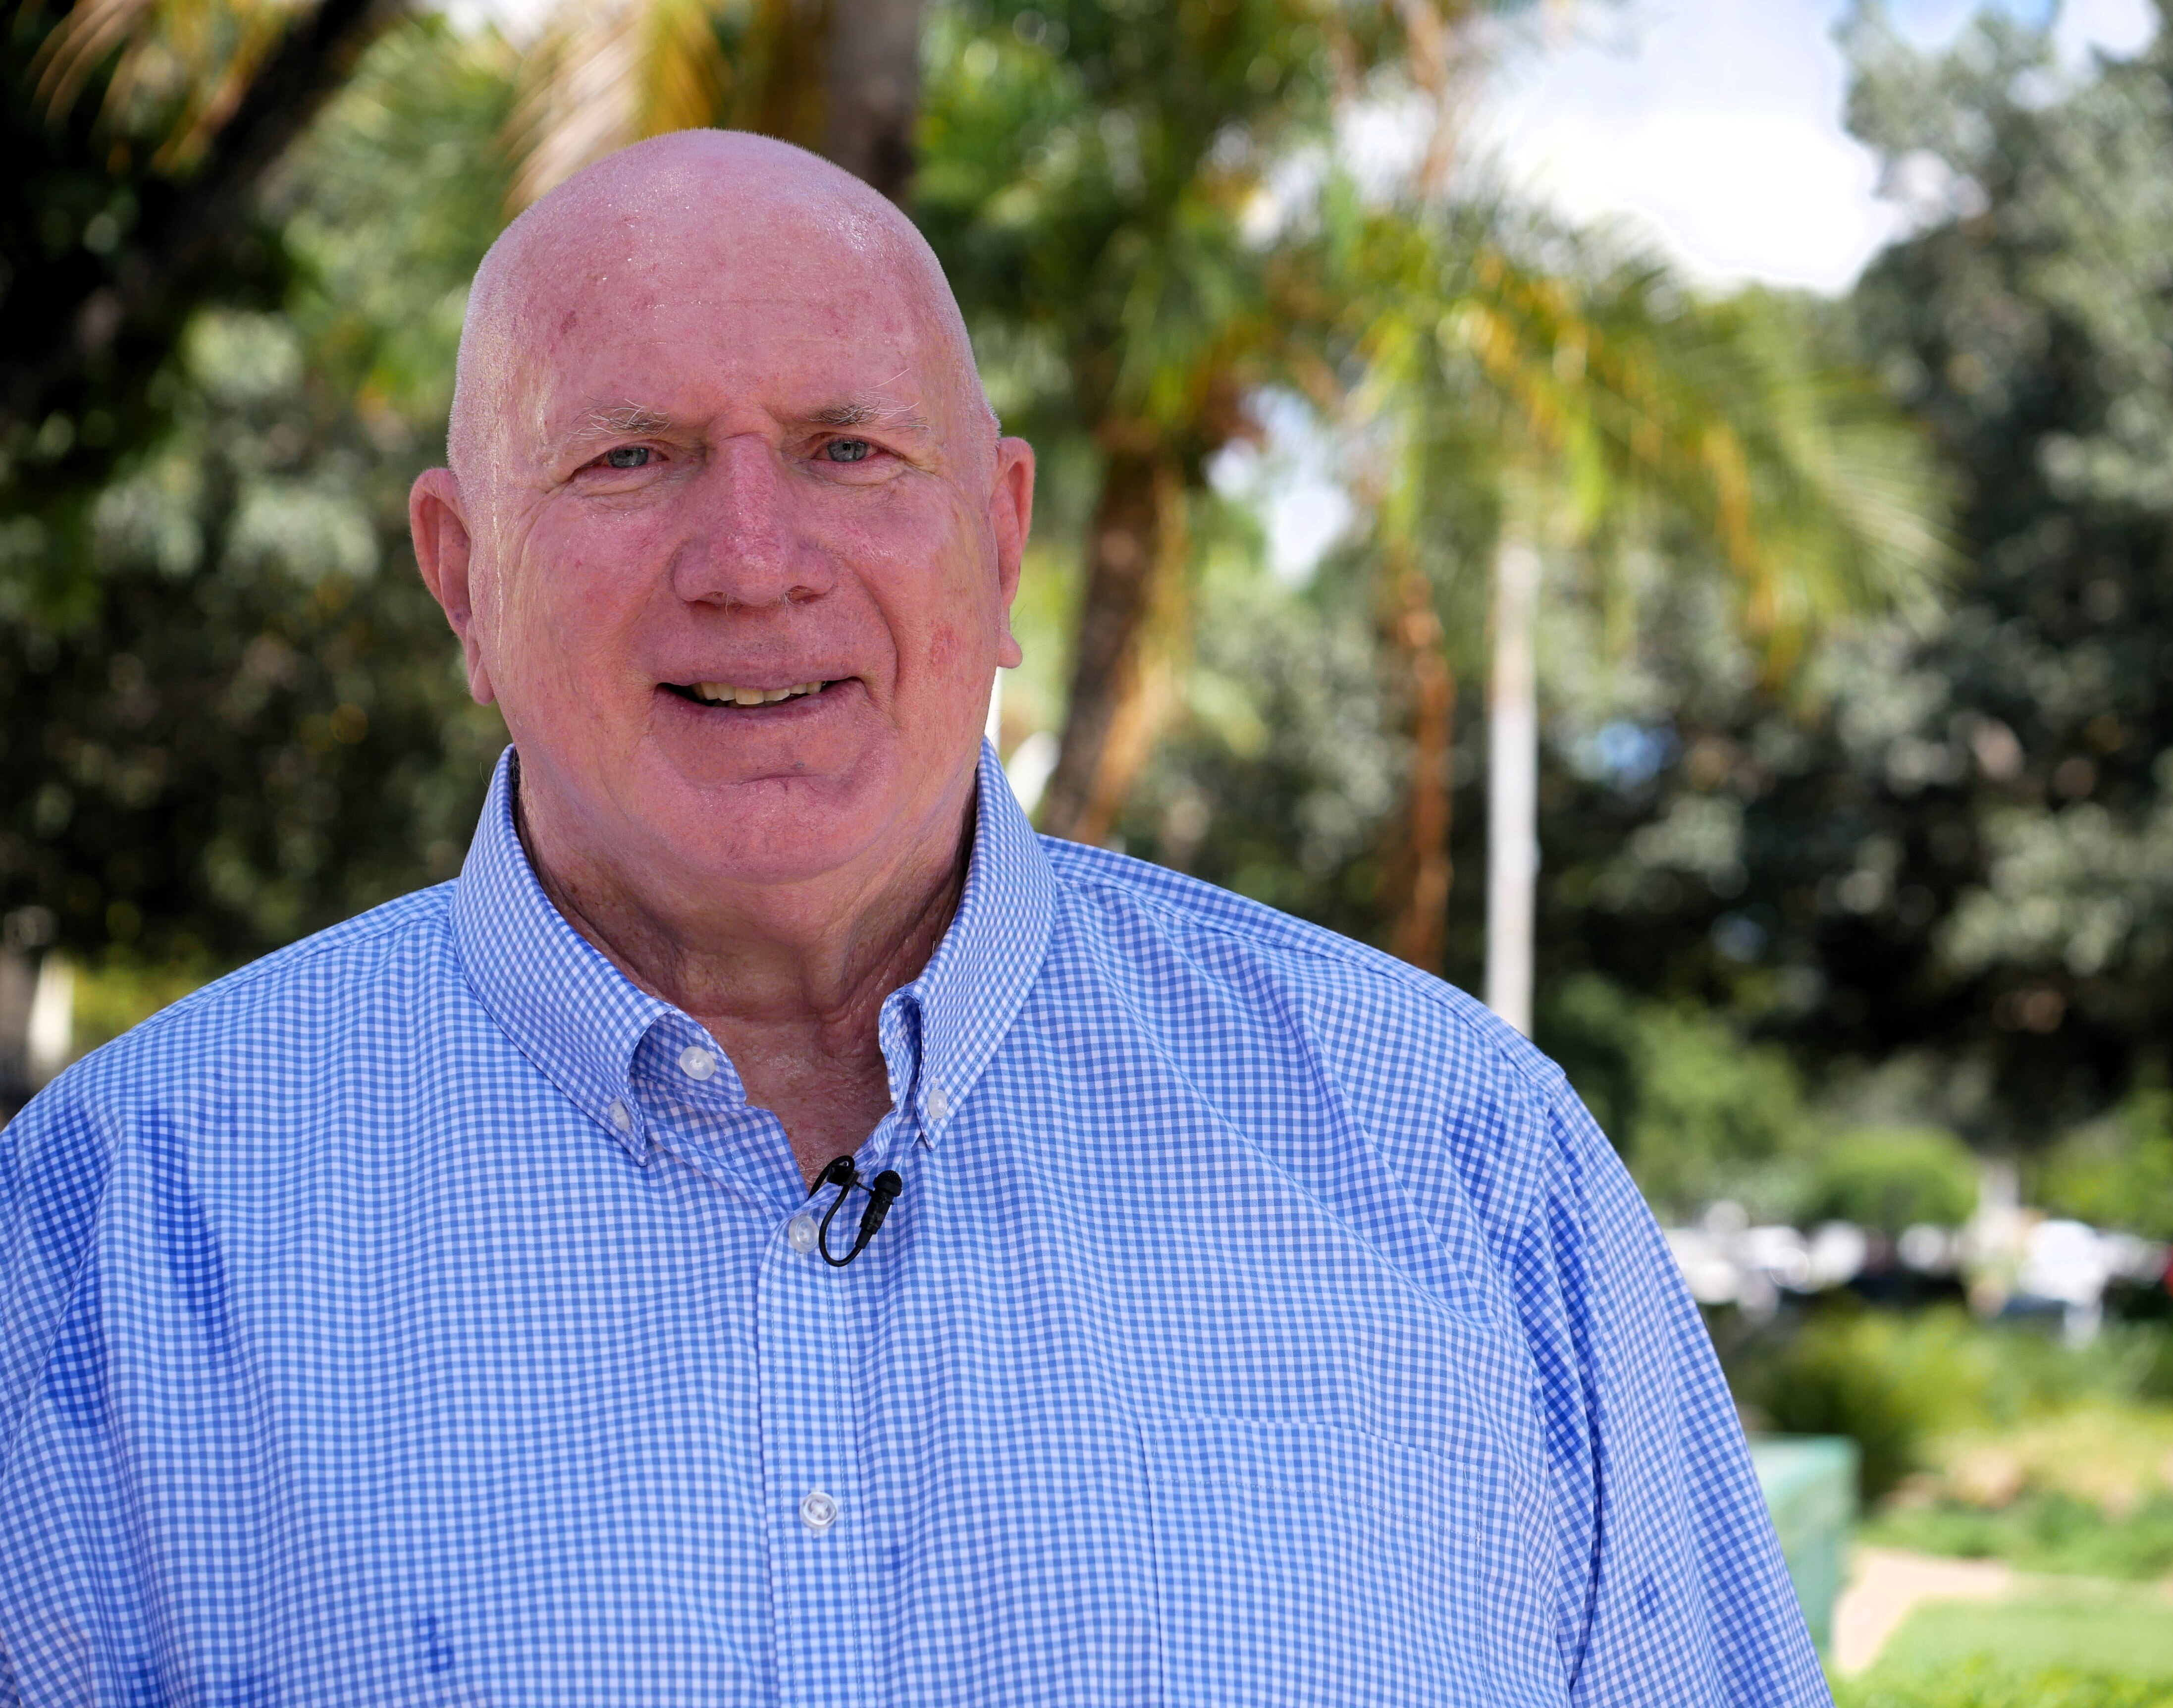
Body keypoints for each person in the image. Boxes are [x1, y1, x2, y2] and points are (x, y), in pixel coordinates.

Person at [0, 130, 1827, 1706]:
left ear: (1005, 539)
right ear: (464, 577)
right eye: (628, 457)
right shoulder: (99, 1246)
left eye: (850, 449)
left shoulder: (1457, 1160)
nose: (752, 559)